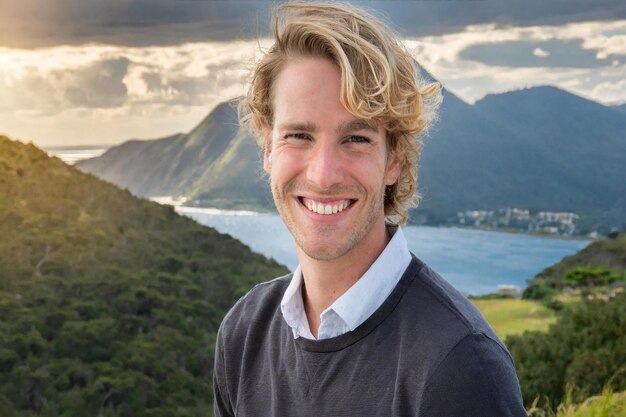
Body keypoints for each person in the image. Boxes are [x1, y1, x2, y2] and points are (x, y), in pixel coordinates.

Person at [213, 2, 527, 416]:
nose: (324, 175)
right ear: (268, 148)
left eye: (356, 138)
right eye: (299, 135)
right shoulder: (244, 333)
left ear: (394, 158)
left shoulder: (460, 365)